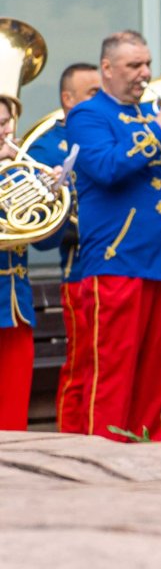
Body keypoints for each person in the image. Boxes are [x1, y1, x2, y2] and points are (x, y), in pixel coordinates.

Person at [64, 31, 161, 442]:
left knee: (152, 376)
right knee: (111, 377)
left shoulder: (147, 115)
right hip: (118, 261)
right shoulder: (88, 115)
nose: (146, 73)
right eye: (134, 65)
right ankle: (101, 463)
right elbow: (106, 168)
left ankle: (143, 457)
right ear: (107, 68)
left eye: (147, 64)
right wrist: (160, 128)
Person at [26, 61, 101, 433]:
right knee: (83, 366)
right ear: (67, 99)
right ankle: (73, 440)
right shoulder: (47, 144)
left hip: (119, 263)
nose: (100, 100)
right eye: (92, 94)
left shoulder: (108, 130)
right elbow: (42, 224)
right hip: (80, 269)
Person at [0, 97, 41, 430]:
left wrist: (51, 193)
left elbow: (46, 241)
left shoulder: (16, 176)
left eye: (8, 122)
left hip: (16, 308)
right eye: (0, 123)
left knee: (14, 417)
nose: (8, 131)